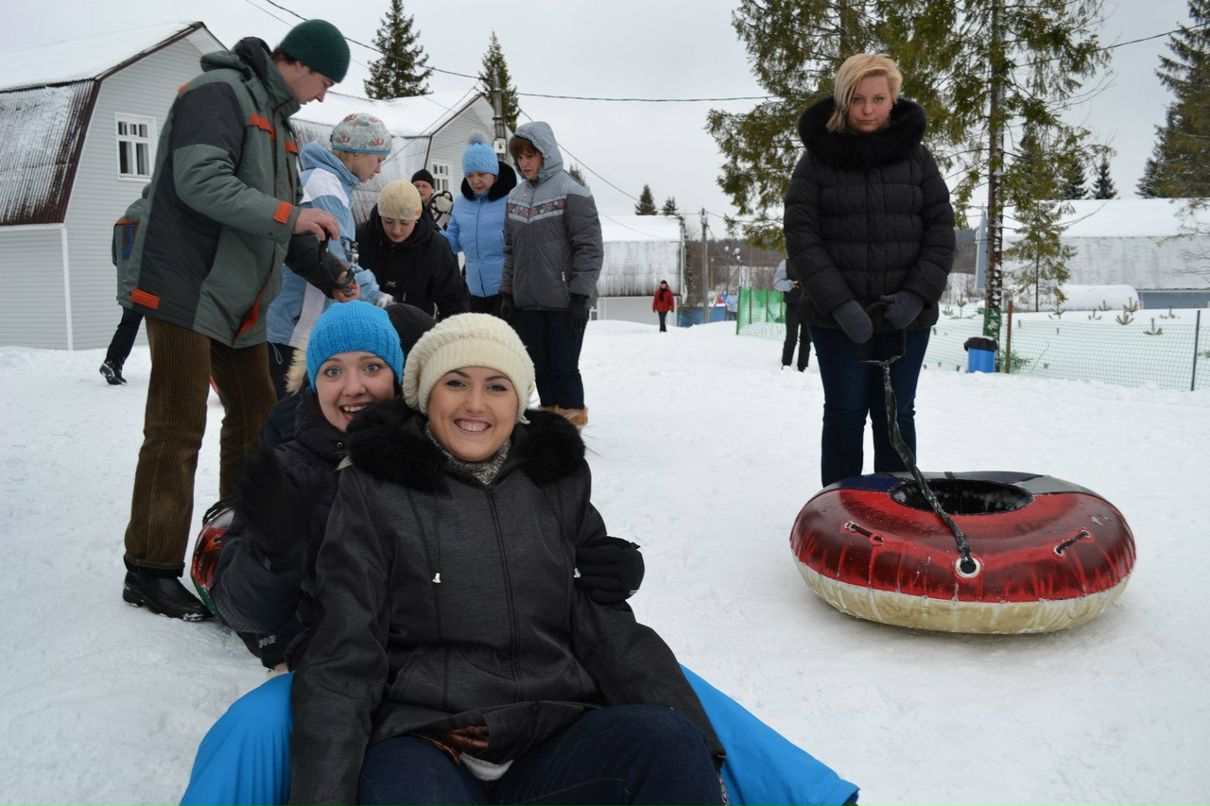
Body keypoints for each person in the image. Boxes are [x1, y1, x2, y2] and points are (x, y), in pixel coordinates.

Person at [287, 313, 723, 805]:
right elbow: (346, 653)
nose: (475, 404)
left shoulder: (555, 482)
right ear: (427, 395)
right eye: (455, 383)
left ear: (518, 403)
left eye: (496, 386)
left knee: (668, 740)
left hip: (550, 731)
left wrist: (699, 752)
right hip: (429, 738)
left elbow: (608, 630)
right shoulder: (374, 490)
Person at [117, 19, 356, 621]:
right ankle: (148, 568)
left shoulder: (281, 126)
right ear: (301, 63)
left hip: (240, 299)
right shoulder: (217, 94)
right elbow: (200, 182)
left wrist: (329, 272)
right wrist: (291, 216)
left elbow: (282, 218)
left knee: (258, 417)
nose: (322, 96)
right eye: (325, 82)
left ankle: (236, 540)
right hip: (184, 284)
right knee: (177, 424)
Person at [204, 301, 406, 670]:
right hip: (321, 664)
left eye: (372, 367)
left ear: (397, 376)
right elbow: (242, 612)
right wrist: (272, 556)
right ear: (313, 384)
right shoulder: (288, 470)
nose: (354, 387)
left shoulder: (430, 454)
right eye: (333, 371)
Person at [784, 53, 954, 488]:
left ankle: (897, 510)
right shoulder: (815, 162)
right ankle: (841, 510)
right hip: (837, 321)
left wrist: (916, 295)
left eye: (878, 99)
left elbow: (940, 231)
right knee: (845, 413)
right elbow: (802, 238)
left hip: (906, 320)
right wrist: (840, 305)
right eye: (857, 99)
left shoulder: (918, 160)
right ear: (843, 99)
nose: (867, 110)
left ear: (893, 100)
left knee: (896, 415)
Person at [266, 113, 394, 398]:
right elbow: (335, 256)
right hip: (294, 324)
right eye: (378, 159)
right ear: (357, 153)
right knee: (287, 412)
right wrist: (376, 297)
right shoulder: (324, 188)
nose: (379, 169)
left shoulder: (333, 186)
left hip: (305, 320)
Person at [500, 121, 602, 429]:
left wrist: (580, 295)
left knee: (563, 368)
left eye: (530, 155)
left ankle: (570, 430)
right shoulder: (515, 197)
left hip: (565, 302)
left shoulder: (573, 192)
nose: (524, 163)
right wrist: (508, 293)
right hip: (528, 302)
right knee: (540, 369)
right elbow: (511, 251)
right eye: (520, 157)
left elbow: (589, 249)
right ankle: (549, 430)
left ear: (545, 154)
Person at [358, 180, 468, 320]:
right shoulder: (361, 237)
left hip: (416, 328)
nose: (396, 230)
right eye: (388, 221)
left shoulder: (436, 247)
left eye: (404, 222)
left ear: (417, 217)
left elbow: (454, 301)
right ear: (380, 215)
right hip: (365, 324)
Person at [443, 134, 517, 318]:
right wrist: (430, 230)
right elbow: (453, 243)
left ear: (494, 173)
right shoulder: (461, 203)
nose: (475, 181)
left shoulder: (511, 200)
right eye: (470, 176)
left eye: (481, 174)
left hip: (506, 293)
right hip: (474, 293)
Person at [99, 184, 151, 384]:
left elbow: (115, 258)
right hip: (150, 284)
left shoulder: (121, 223)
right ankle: (168, 370)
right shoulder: (154, 219)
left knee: (128, 323)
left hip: (127, 284)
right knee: (164, 326)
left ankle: (112, 362)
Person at [774, 259, 811, 371]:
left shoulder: (813, 261)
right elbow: (777, 284)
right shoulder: (786, 263)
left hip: (810, 306)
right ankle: (786, 365)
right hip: (793, 306)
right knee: (791, 337)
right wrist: (791, 284)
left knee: (806, 338)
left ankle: (803, 368)